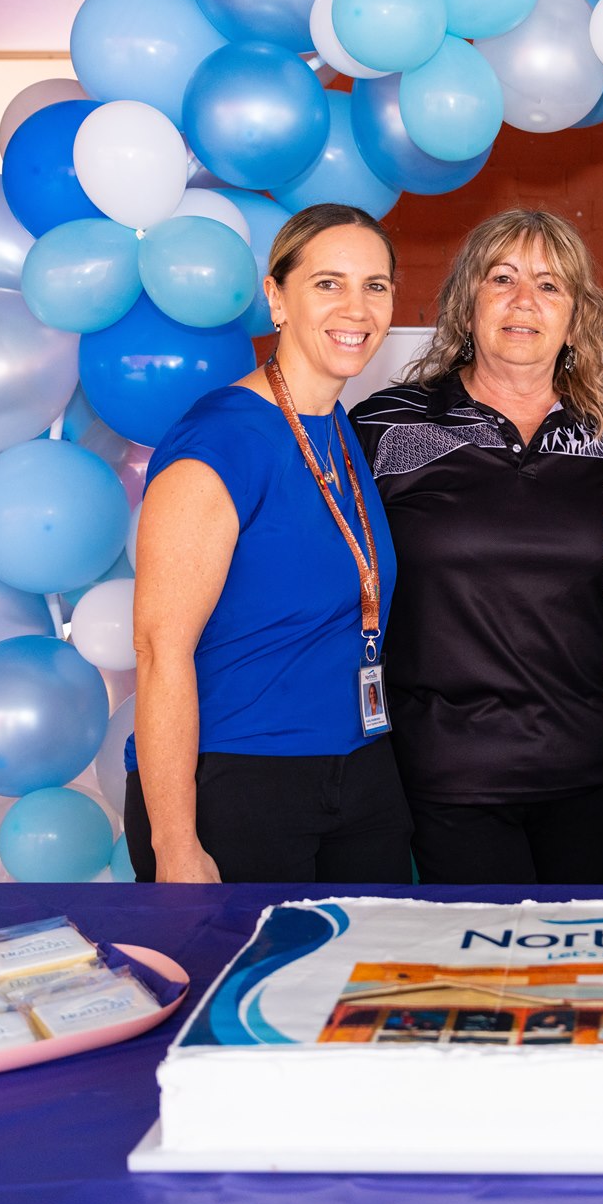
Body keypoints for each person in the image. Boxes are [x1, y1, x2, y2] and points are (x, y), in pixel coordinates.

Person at [126, 203, 411, 884]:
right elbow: (160, 651)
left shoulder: (338, 428)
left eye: (376, 285)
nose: (357, 307)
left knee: (358, 989)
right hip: (240, 783)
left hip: (361, 771)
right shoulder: (220, 440)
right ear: (276, 298)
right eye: (328, 283)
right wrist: (175, 843)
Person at [352, 211, 603, 884]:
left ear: (575, 316)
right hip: (449, 773)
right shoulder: (384, 428)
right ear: (466, 301)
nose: (523, 302)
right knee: (488, 982)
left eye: (549, 285)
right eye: (501, 278)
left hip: (586, 773)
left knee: (575, 977)